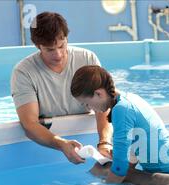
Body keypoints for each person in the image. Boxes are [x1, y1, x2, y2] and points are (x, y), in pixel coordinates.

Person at [10, 12, 112, 164]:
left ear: (66, 37)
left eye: (61, 45)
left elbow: (103, 105)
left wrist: (104, 141)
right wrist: (60, 143)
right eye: (50, 49)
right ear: (38, 46)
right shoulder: (23, 72)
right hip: (47, 141)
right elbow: (29, 124)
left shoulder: (87, 59)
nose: (58, 54)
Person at [70, 65, 169, 184]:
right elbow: (136, 143)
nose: (89, 108)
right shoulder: (129, 99)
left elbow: (120, 166)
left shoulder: (121, 110)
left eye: (87, 103)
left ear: (98, 94)